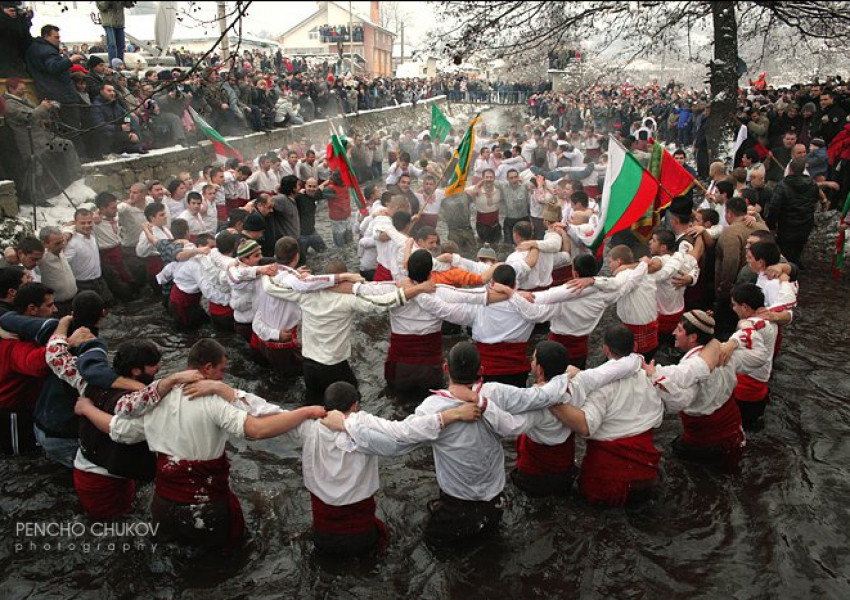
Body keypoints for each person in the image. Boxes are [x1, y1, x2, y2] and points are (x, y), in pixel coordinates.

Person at [74, 338, 326, 552]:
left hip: (163, 506)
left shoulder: (155, 398)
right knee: (224, 562)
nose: (223, 376)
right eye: (221, 370)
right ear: (208, 368)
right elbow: (258, 430)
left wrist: (87, 409)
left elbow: (118, 431)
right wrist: (304, 413)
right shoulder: (212, 401)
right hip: (205, 506)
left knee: (173, 561)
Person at [260, 258, 433, 403]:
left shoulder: (304, 294)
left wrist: (264, 271)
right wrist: (417, 289)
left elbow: (272, 288)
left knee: (314, 406)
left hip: (309, 364)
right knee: (353, 403)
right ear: (344, 281)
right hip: (333, 366)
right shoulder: (347, 300)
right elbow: (382, 303)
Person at [550, 325, 665, 506]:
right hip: (646, 475)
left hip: (608, 481)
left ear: (605, 349)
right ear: (635, 347)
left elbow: (585, 425)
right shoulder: (650, 376)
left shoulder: (601, 388)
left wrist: (550, 400)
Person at [644, 311, 744, 471]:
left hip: (706, 437)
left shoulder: (693, 369)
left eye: (679, 330)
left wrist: (654, 376)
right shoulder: (725, 352)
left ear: (693, 338)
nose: (673, 333)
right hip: (732, 424)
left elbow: (678, 402)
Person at [508, 255, 648, 369]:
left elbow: (534, 314)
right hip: (580, 350)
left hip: (555, 350)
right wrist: (644, 264)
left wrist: (512, 295)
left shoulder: (563, 299)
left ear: (574, 273)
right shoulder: (603, 297)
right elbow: (629, 283)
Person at [24, 25, 85, 143]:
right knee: (72, 129)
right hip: (61, 95)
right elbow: (53, 67)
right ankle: (80, 156)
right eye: (56, 37)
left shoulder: (36, 48)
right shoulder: (46, 50)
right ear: (46, 36)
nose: (59, 40)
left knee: (64, 130)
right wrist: (70, 61)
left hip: (50, 92)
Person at [764, 157, 820, 266]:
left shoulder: (782, 185)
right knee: (798, 247)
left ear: (790, 169)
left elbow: (774, 206)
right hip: (805, 222)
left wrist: (770, 224)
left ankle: (788, 270)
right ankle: (795, 265)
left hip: (787, 224)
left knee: (785, 251)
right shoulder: (812, 184)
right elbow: (814, 201)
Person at [37, 226, 77, 316]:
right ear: (45, 244)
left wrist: (67, 232)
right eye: (57, 243)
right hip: (56, 306)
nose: (62, 245)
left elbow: (73, 226)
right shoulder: (41, 258)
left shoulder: (60, 249)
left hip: (72, 302)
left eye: (62, 241)